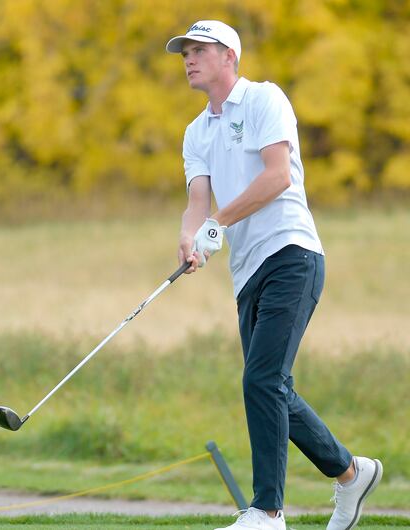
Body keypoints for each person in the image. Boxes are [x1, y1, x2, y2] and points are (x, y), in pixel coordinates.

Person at [165, 21, 381, 530]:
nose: (189, 59)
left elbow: (277, 175)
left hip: (292, 253)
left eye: (199, 50)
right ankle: (352, 474)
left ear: (229, 57)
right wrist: (191, 238)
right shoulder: (196, 132)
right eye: (185, 53)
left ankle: (267, 511)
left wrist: (218, 223)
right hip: (246, 272)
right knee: (273, 386)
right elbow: (198, 202)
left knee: (261, 379)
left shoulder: (264, 99)